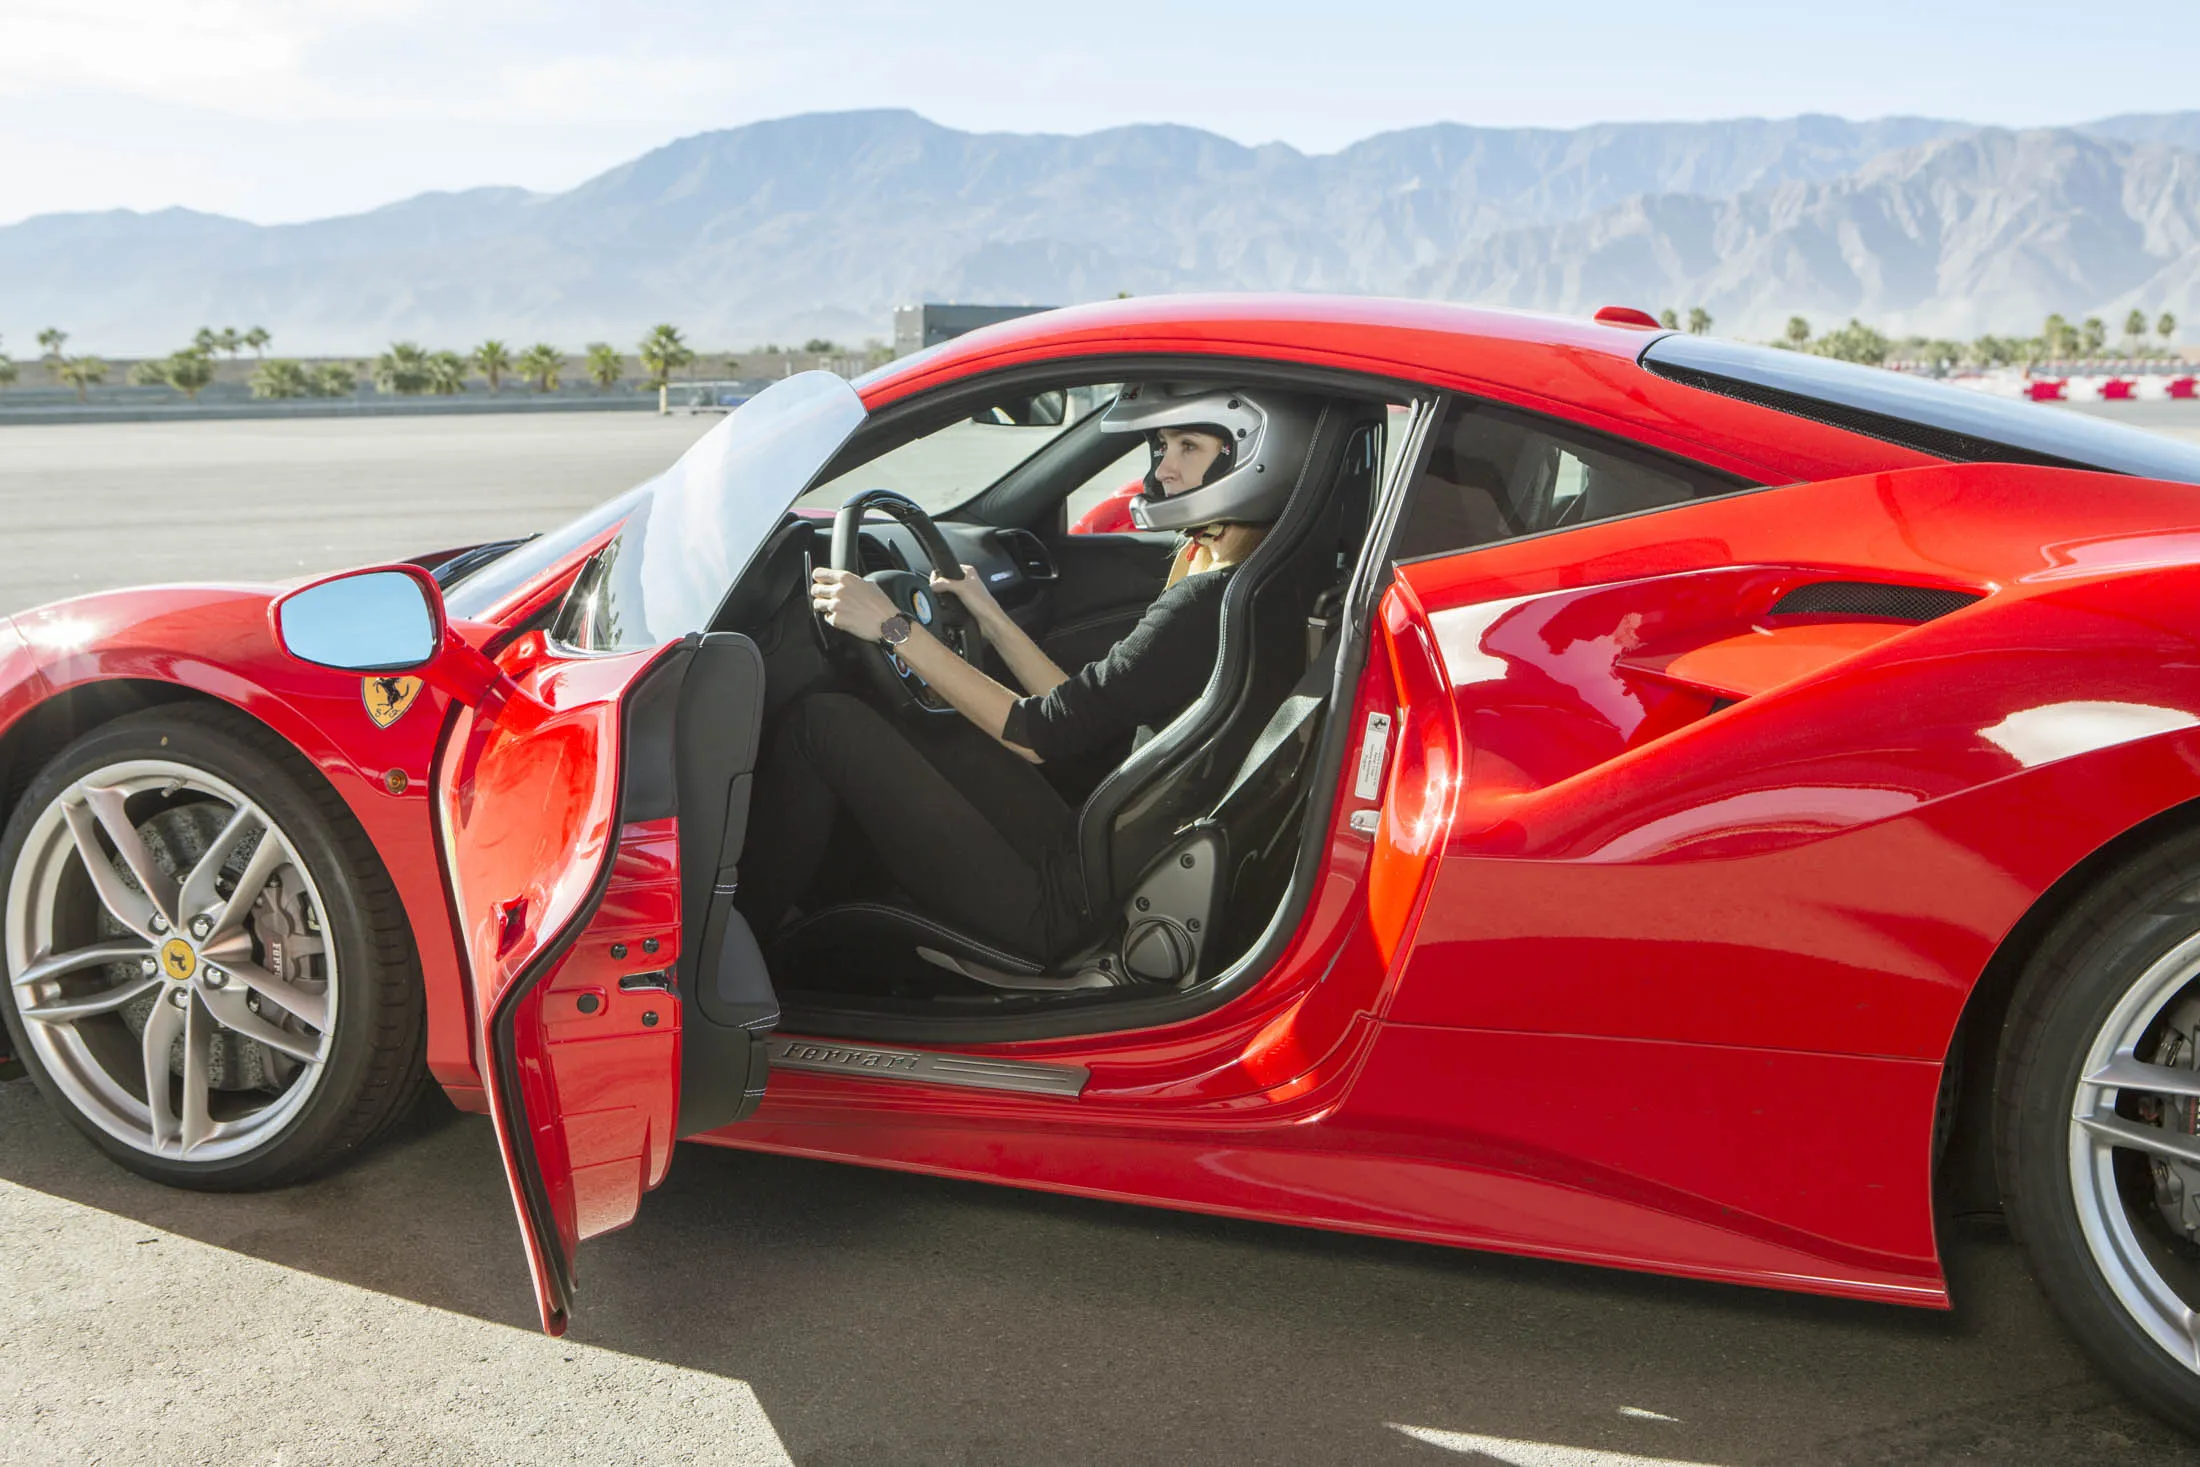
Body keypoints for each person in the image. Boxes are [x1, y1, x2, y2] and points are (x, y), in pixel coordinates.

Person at [742, 384, 1311, 962]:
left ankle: (730, 946)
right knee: (933, 727)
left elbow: (1039, 737)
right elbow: (1075, 706)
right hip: (1096, 852)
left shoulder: (1202, 606)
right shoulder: (1258, 586)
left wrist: (892, 626)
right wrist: (986, 612)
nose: (1162, 469)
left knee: (824, 724)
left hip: (1068, 907)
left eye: (1188, 446)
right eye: (1162, 445)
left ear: (1253, 455)